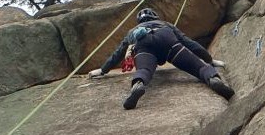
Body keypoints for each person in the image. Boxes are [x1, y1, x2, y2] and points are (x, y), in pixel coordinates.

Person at [88, 7, 234, 110]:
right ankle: (213, 79)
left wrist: (103, 70)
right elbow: (189, 43)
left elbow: (118, 53)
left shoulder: (133, 32)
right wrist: (209, 59)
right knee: (200, 67)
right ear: (155, 17)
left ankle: (138, 84)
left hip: (143, 43)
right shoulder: (166, 24)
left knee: (144, 70)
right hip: (166, 39)